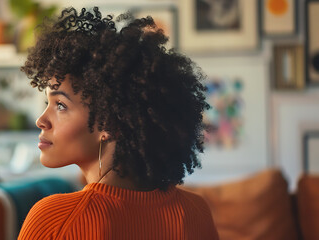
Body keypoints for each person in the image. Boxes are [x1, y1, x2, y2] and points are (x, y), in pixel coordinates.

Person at [18, 7, 219, 239]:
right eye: (47, 103)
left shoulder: (54, 219)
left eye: (60, 105)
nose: (41, 120)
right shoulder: (195, 211)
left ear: (109, 122)